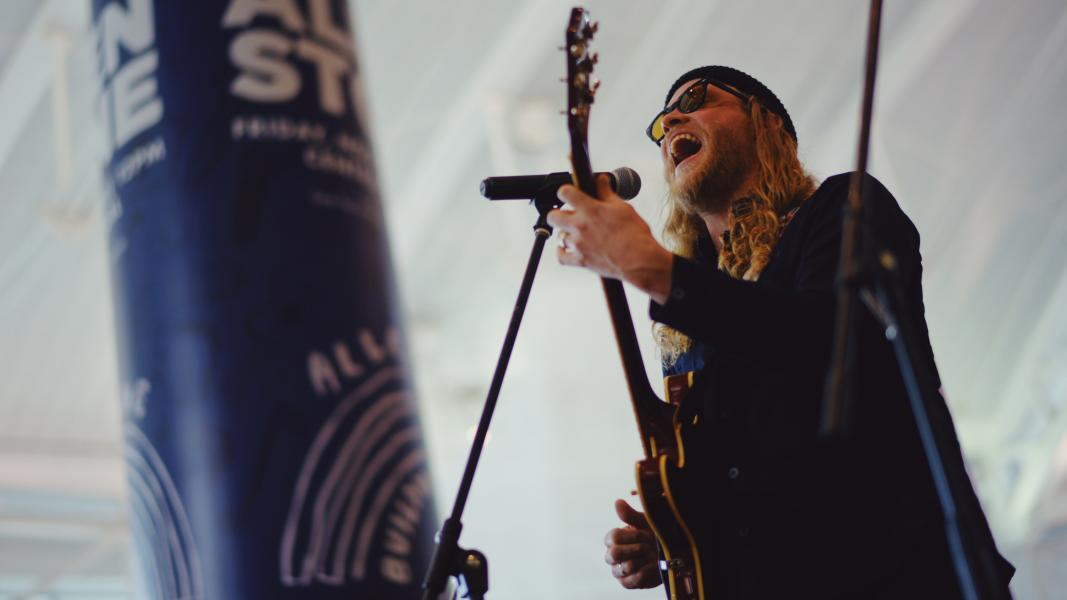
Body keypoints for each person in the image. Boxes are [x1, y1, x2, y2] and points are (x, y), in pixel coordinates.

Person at [546, 66, 1014, 599]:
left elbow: (829, 342)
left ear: (767, 125)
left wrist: (654, 271)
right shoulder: (690, 330)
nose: (671, 117)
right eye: (662, 121)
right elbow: (744, 479)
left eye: (697, 98)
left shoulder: (843, 209)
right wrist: (674, 539)